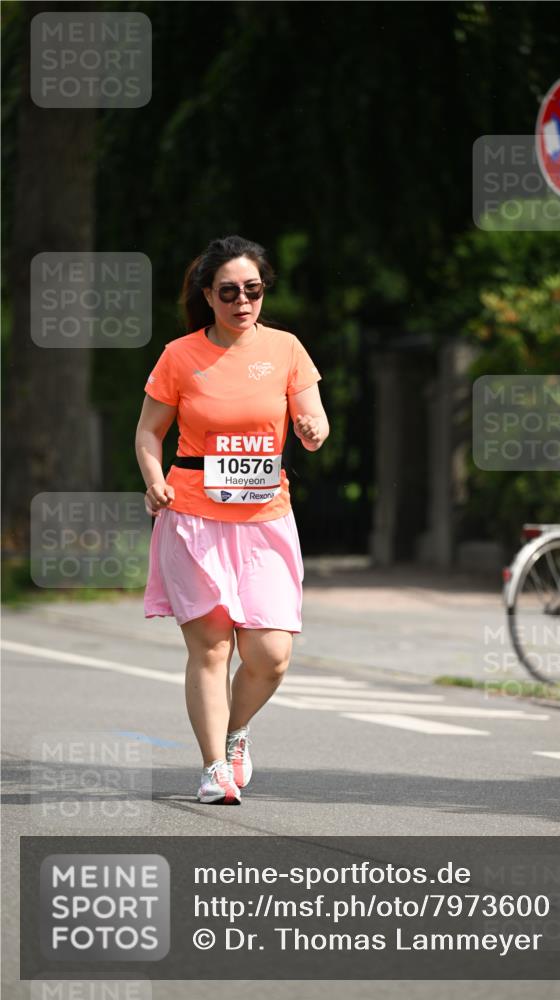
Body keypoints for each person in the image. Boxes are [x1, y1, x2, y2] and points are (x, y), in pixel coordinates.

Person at [135, 235, 329, 805]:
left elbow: (314, 420)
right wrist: (154, 479)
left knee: (270, 655)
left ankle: (237, 731)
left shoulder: (288, 349)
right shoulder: (180, 355)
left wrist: (314, 431)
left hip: (266, 517)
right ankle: (213, 766)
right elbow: (149, 432)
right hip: (194, 515)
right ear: (208, 295)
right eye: (229, 292)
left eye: (253, 290)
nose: (243, 301)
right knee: (212, 649)